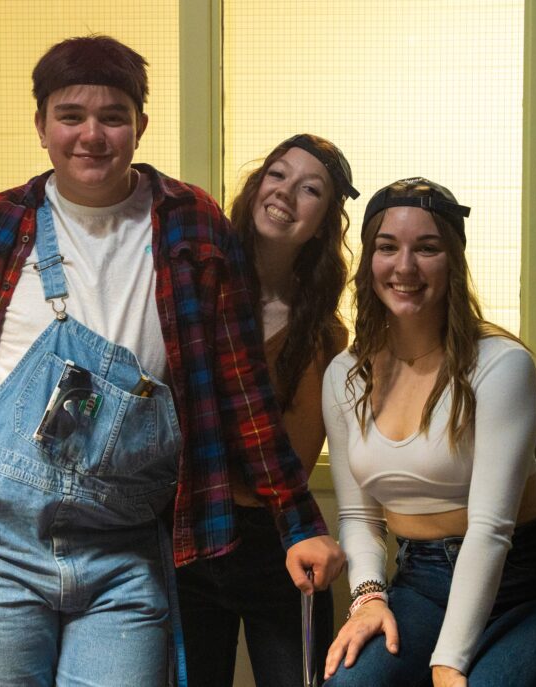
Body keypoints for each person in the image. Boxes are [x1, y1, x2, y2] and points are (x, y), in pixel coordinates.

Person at [0, 35, 342, 687]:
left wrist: (297, 522)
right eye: (71, 115)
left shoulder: (191, 226)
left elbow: (242, 392)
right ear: (41, 125)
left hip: (124, 541)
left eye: (113, 116)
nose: (91, 135)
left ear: (140, 126)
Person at [321, 178, 536, 687]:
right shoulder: (345, 374)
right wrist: (368, 597)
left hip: (531, 588)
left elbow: (491, 528)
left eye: (426, 248)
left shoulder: (500, 364)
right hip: (421, 585)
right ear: (369, 262)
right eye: (387, 247)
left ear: (452, 260)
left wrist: (448, 660)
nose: (404, 267)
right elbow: (357, 514)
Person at [176, 134, 357, 686]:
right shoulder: (193, 289)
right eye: (277, 174)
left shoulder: (324, 336)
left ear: (324, 222)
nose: (285, 193)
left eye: (310, 190)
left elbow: (292, 461)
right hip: (188, 532)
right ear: (257, 184)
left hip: (276, 543)